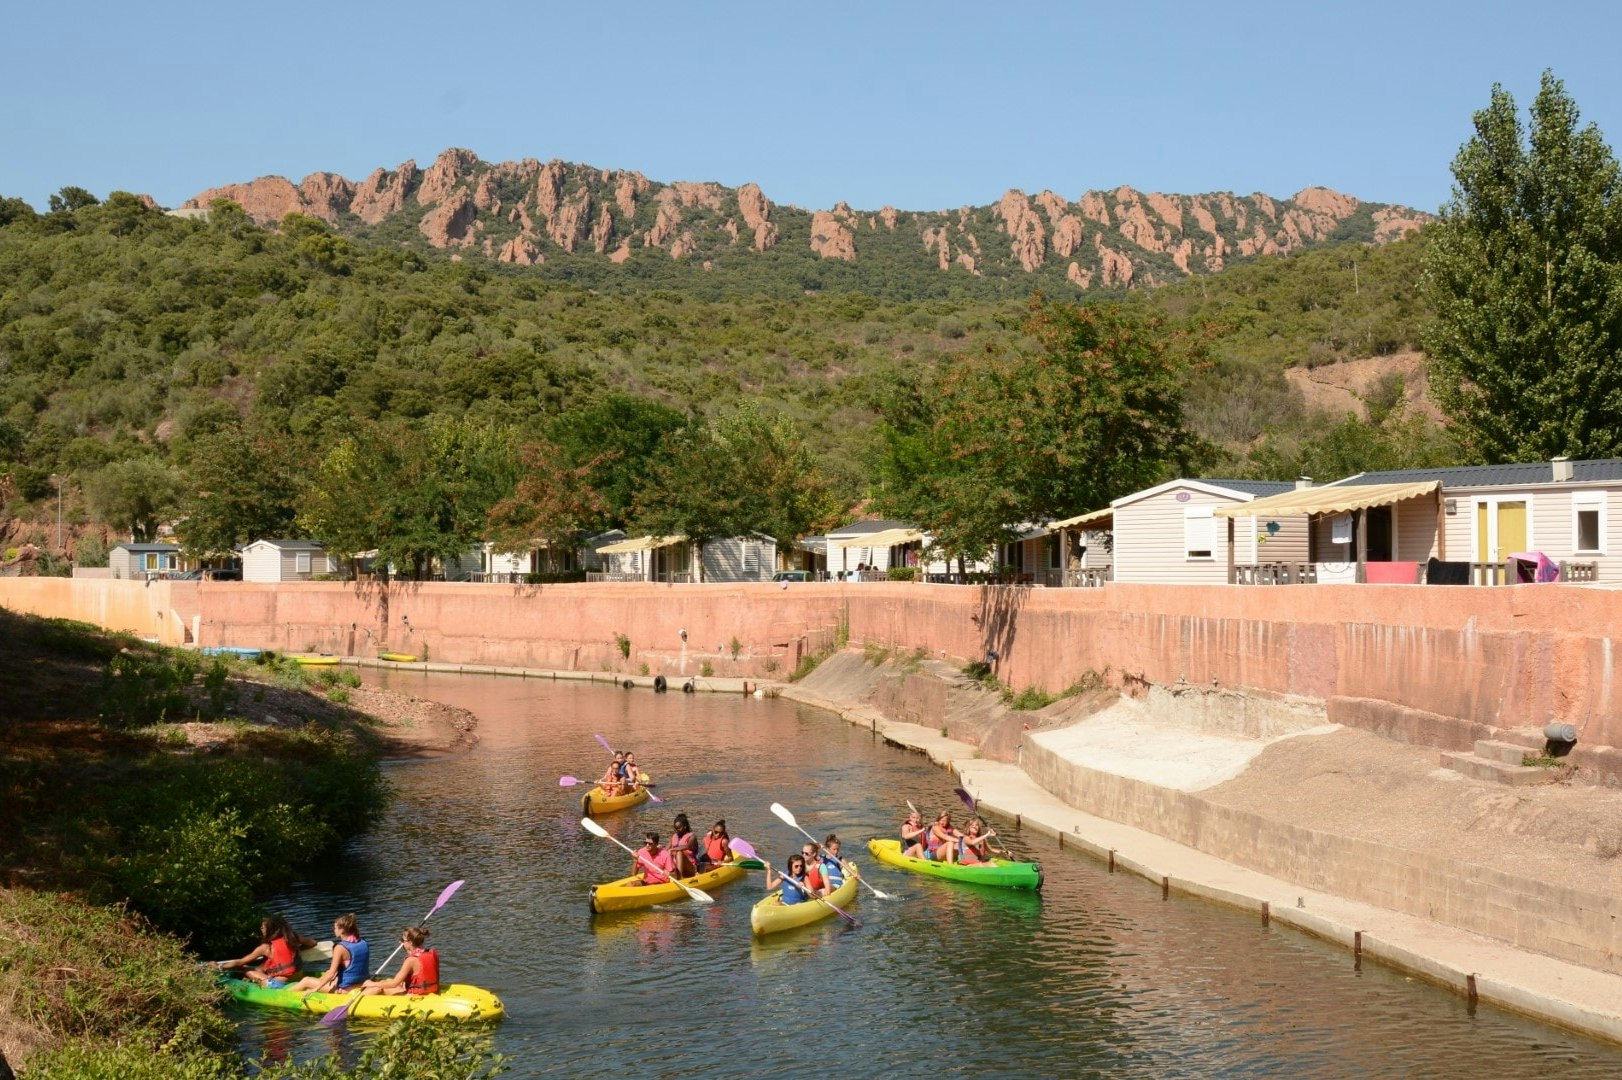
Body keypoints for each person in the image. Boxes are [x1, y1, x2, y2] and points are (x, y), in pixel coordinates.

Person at [216, 915, 316, 988]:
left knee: (244, 968)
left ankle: (252, 981)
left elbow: (239, 962)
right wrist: (296, 948)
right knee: (261, 967)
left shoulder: (265, 947)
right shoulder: (292, 938)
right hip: (297, 979)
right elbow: (313, 943)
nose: (261, 929)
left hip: (278, 985)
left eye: (263, 927)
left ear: (270, 930)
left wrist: (219, 966)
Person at [288, 914, 370, 996]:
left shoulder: (340, 948)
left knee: (306, 980)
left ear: (341, 930)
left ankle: (285, 994)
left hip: (345, 989)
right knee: (327, 973)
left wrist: (315, 989)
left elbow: (331, 974)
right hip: (362, 982)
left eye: (335, 928)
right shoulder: (363, 942)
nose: (333, 930)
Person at [359, 926, 439, 997]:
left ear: (410, 942)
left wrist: (371, 983)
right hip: (432, 991)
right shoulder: (431, 953)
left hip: (414, 996)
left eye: (402, 940)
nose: (400, 942)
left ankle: (356, 1001)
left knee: (379, 986)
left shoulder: (410, 960)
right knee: (385, 981)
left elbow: (394, 983)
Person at [669, 814, 699, 879]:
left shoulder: (692, 837)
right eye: (675, 828)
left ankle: (679, 878)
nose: (676, 830)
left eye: (679, 828)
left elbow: (687, 846)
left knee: (679, 852)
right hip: (675, 867)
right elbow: (666, 850)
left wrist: (672, 849)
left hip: (690, 869)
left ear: (685, 826)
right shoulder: (674, 836)